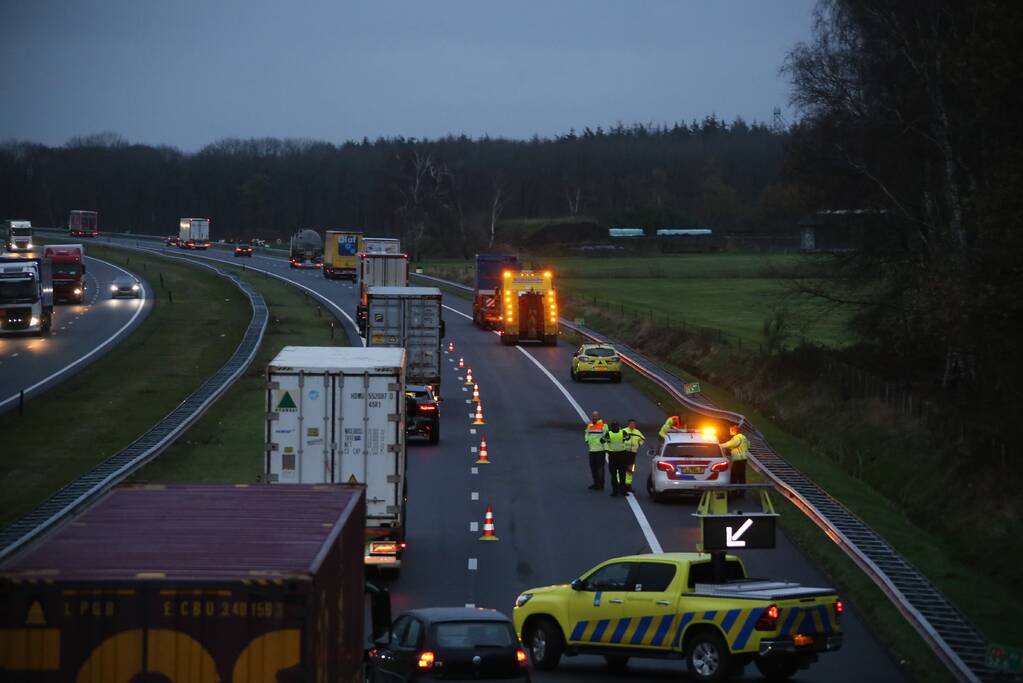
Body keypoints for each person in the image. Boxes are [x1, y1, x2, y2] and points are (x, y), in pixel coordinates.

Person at [721, 423, 751, 496]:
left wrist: (718, 445)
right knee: (741, 476)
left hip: (738, 459)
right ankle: (741, 492)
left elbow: (729, 444)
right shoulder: (744, 437)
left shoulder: (737, 438)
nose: (729, 431)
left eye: (730, 430)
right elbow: (748, 445)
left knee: (734, 475)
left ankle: (733, 491)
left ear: (734, 430)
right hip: (743, 459)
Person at [602, 420, 629, 496]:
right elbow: (628, 438)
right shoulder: (622, 432)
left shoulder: (609, 434)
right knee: (622, 474)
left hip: (613, 456)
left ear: (611, 426)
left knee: (613, 475)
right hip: (622, 455)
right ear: (618, 426)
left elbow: (602, 440)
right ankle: (623, 491)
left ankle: (615, 491)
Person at [584, 411, 607, 490]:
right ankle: (595, 483)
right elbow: (586, 433)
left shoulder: (603, 425)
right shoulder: (590, 425)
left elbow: (606, 435)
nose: (594, 417)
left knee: (600, 468)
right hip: (592, 450)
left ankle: (600, 484)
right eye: (593, 416)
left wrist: (601, 442)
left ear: (598, 416)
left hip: (600, 450)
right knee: (593, 468)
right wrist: (587, 440)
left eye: (596, 416)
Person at [623, 419, 645, 493]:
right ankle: (621, 485)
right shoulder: (624, 431)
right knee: (622, 469)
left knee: (630, 469)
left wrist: (639, 445)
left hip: (633, 453)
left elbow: (642, 439)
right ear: (628, 424)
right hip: (624, 452)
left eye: (634, 424)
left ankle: (628, 485)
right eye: (631, 424)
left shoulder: (637, 432)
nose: (632, 425)